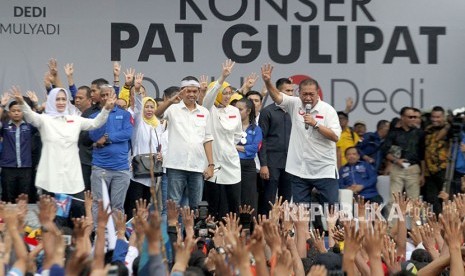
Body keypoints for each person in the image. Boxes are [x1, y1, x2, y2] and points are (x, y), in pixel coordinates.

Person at [261, 64, 341, 209]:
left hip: (323, 169)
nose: (308, 98)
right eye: (305, 94)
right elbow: (277, 96)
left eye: (312, 94)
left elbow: (335, 136)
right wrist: (267, 82)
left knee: (332, 210)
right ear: (299, 93)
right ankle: (302, 232)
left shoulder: (328, 110)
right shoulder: (294, 104)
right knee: (300, 213)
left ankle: (333, 232)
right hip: (299, 170)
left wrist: (316, 124)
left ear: (318, 94)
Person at [10, 86, 115, 195]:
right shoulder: (45, 120)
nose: (61, 102)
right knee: (51, 211)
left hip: (71, 177)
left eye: (64, 99)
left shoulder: (75, 120)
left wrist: (106, 109)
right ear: (51, 101)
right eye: (57, 99)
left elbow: (95, 123)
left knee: (77, 208)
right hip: (50, 177)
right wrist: (22, 103)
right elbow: (31, 117)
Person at [154, 76, 214, 210]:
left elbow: (208, 139)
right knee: (173, 205)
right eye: (188, 91)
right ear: (182, 91)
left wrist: (211, 164)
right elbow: (156, 115)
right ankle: (172, 231)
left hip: (197, 166)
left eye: (195, 91)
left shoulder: (204, 112)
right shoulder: (173, 108)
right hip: (176, 165)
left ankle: (191, 231)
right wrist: (170, 101)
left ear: (199, 92)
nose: (192, 94)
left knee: (196, 207)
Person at [202, 59, 243, 218]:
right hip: (213, 162)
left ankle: (233, 235)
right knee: (214, 205)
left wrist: (228, 147)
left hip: (231, 162)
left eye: (229, 93)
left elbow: (238, 134)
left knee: (233, 203)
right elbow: (208, 98)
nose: (227, 96)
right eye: (224, 93)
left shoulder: (234, 111)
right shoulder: (209, 109)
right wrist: (222, 78)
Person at [89, 84, 133, 216]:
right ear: (99, 98)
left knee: (117, 206)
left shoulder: (125, 114)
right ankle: (99, 234)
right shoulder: (94, 117)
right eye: (102, 95)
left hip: (121, 168)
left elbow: (127, 133)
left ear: (114, 96)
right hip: (100, 167)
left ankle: (117, 235)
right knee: (99, 204)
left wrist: (107, 138)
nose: (105, 98)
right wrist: (106, 112)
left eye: (108, 95)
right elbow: (95, 136)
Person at [125, 73, 164, 218]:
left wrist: (161, 154)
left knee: (146, 209)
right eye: (146, 107)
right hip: (137, 173)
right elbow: (137, 107)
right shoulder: (138, 122)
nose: (148, 109)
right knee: (134, 208)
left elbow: (162, 144)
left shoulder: (158, 124)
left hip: (151, 174)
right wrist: (137, 89)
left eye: (151, 107)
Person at [258, 77, 293, 215]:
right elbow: (262, 139)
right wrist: (263, 164)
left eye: (292, 91)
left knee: (286, 198)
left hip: (291, 163)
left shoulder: (296, 111)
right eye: (287, 90)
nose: (291, 94)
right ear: (277, 92)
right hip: (271, 161)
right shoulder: (267, 112)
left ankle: (284, 229)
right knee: (269, 197)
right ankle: (267, 229)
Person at [382, 106, 425, 209]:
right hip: (397, 168)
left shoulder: (419, 133)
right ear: (402, 117)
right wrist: (397, 160)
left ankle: (415, 225)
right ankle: (391, 225)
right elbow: (385, 151)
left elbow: (422, 154)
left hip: (414, 168)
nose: (413, 119)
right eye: (410, 117)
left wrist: (423, 174)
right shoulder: (393, 133)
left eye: (415, 117)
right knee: (394, 200)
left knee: (414, 201)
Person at [0, 95, 37, 202]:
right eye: (13, 111)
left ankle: (23, 219)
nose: (16, 113)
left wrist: (34, 104)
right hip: (8, 168)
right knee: (7, 198)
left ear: (23, 112)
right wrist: (2, 106)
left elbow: (38, 120)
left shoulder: (29, 127)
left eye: (19, 110)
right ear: (9, 113)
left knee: (23, 199)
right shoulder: (5, 127)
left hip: (25, 168)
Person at [235, 97, 262, 212]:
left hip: (248, 166)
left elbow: (255, 148)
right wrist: (244, 149)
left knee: (249, 197)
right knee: (234, 196)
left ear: (249, 111)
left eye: (240, 110)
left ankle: (248, 226)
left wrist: (234, 147)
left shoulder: (256, 129)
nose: (236, 112)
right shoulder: (229, 127)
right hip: (232, 164)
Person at [423, 106, 450, 214]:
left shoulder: (450, 129)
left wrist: (448, 126)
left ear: (443, 117)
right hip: (429, 172)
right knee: (431, 200)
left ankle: (448, 226)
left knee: (446, 198)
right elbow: (424, 150)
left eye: (438, 117)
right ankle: (435, 225)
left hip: (444, 170)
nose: (435, 119)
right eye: (433, 117)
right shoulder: (428, 130)